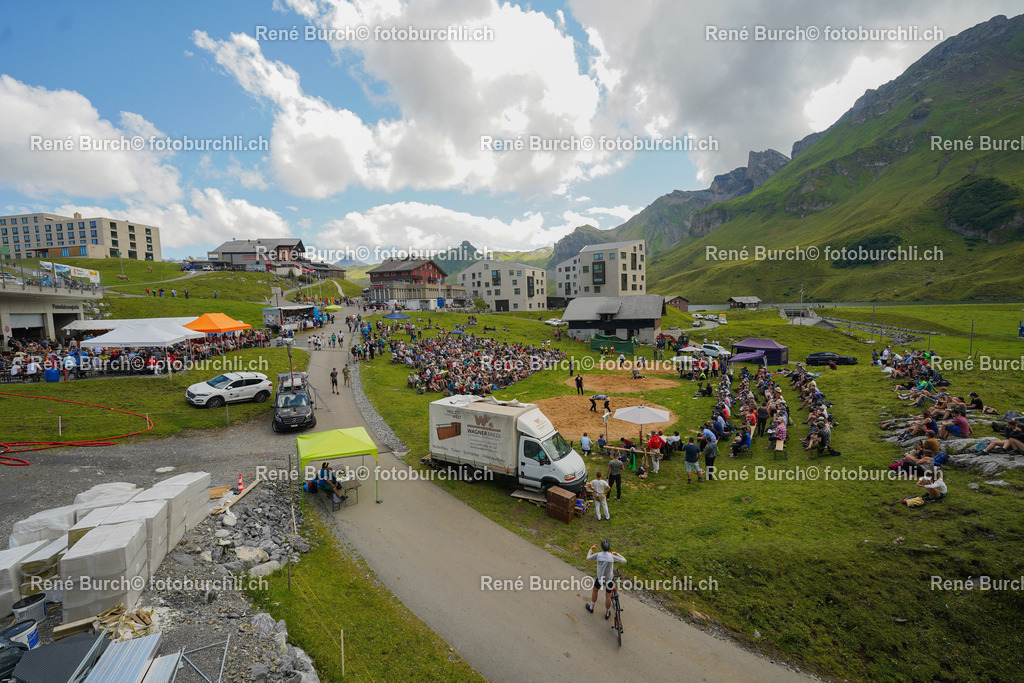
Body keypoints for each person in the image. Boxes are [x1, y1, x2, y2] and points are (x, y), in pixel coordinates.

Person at [585, 540, 626, 618]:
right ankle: (607, 613)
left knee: (595, 590)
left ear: (601, 547)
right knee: (608, 597)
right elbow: (624, 560)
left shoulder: (598, 555)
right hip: (609, 579)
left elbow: (588, 558)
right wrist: (617, 553)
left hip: (600, 578)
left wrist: (591, 549)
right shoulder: (611, 556)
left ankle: (591, 607)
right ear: (609, 548)